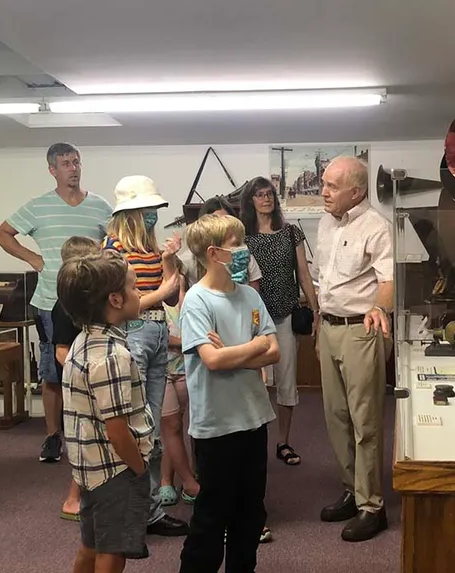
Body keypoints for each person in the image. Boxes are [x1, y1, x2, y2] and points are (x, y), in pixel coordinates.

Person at [0, 142, 114, 464]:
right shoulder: (38, 206)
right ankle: (52, 436)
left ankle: (97, 430)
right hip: (49, 300)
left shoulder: (101, 206)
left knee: (95, 367)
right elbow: (2, 234)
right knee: (53, 371)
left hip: (91, 302)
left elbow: (114, 243)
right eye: (65, 164)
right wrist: (35, 259)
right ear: (52, 170)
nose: (73, 168)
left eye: (76, 162)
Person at [178, 214, 280, 573]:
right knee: (211, 516)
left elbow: (274, 350)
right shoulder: (197, 301)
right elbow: (211, 360)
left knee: (250, 512)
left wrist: (234, 352)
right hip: (217, 426)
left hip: (254, 419)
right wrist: (252, 347)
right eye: (235, 244)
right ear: (213, 252)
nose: (243, 250)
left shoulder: (250, 294)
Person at [57, 250, 154, 573]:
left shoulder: (82, 342)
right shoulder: (111, 356)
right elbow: (117, 430)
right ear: (115, 299)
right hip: (116, 471)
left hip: (90, 468)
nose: (139, 293)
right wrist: (139, 469)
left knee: (92, 543)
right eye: (134, 287)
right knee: (112, 552)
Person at [102, 175, 188, 536]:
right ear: (133, 212)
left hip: (155, 335)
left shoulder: (150, 249)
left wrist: (168, 263)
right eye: (149, 209)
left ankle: (149, 512)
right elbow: (117, 306)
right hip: (133, 335)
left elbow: (169, 299)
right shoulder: (112, 250)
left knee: (149, 431)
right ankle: (129, 513)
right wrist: (163, 290)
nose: (154, 214)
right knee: (131, 426)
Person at [314, 156, 393, 543]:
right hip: (328, 328)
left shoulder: (376, 226)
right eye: (323, 183)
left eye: (332, 186)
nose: (323, 191)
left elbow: (388, 280)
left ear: (356, 192)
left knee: (365, 421)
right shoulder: (327, 223)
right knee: (335, 417)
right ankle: (352, 489)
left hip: (361, 330)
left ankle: (372, 507)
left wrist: (380, 307)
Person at [240, 176, 320, 468]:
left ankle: (283, 441)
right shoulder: (242, 237)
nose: (266, 199)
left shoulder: (290, 233)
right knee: (252, 382)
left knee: (287, 382)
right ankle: (252, 439)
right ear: (251, 200)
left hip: (285, 316)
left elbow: (303, 274)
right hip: (253, 321)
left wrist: (315, 310)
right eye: (260, 195)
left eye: (269, 194)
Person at [51, 235, 102, 521]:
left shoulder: (88, 303)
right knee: (84, 442)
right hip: (78, 383)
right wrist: (85, 375)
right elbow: (61, 351)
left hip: (85, 378)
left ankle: (82, 498)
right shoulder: (63, 307)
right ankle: (72, 500)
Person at [158, 258, 199, 507]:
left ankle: (183, 478)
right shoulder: (153, 301)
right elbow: (159, 337)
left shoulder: (193, 300)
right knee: (170, 426)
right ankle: (170, 480)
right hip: (161, 370)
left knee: (185, 426)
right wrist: (185, 342)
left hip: (186, 369)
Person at [176, 196, 263, 290]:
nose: (222, 226)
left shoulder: (242, 255)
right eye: (216, 220)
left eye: (226, 220)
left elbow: (254, 295)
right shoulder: (190, 259)